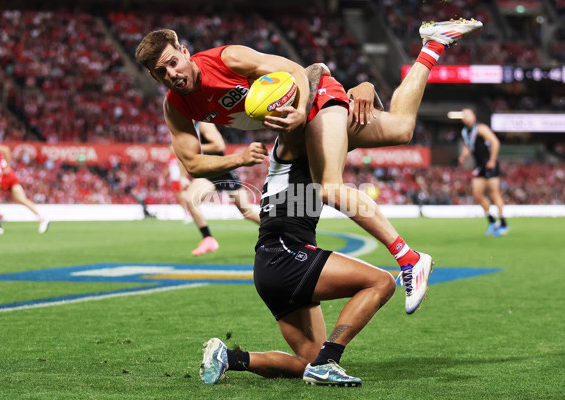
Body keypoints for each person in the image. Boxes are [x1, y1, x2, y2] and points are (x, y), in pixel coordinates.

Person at [135, 18, 482, 313]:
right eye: (161, 71)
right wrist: (239, 158)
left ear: (184, 52)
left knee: (328, 187)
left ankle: (410, 260)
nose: (171, 73)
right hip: (306, 118)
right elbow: (192, 162)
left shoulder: (228, 58)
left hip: (315, 100)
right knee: (402, 128)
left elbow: (297, 71)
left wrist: (302, 110)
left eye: (172, 62)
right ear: (155, 77)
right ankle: (433, 45)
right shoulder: (176, 107)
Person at [200, 129, 403, 386]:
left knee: (307, 361)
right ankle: (329, 360)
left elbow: (355, 136)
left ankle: (229, 358)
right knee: (382, 282)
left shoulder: (313, 155)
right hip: (287, 256)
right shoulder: (292, 143)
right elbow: (389, 129)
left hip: (272, 263)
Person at [182, 121, 260, 255]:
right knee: (190, 199)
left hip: (221, 168)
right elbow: (182, 155)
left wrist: (196, 147)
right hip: (208, 169)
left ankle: (282, 230)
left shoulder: (203, 123)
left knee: (246, 211)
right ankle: (208, 238)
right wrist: (182, 176)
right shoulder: (186, 129)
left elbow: (219, 145)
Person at [458, 108, 509, 237]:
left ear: (473, 116)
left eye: (467, 115)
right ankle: (492, 221)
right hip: (480, 165)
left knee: (494, 193)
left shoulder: (481, 128)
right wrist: (464, 156)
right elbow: (469, 145)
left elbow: (495, 142)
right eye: (463, 116)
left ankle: (503, 224)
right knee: (477, 194)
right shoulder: (465, 132)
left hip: (489, 164)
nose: (465, 117)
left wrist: (492, 160)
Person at [0, 139, 49, 235]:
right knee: (21, 199)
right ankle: (43, 218)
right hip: (10, 175)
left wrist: (7, 167)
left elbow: (5, 149)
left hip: (5, 176)